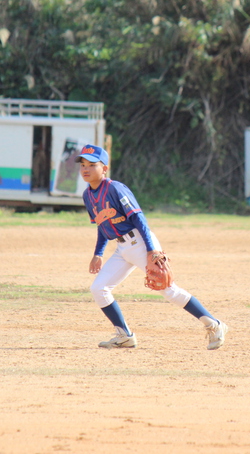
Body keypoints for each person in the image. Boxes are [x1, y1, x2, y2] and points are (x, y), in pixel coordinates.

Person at [78, 144, 229, 350]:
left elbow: (139, 219)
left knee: (168, 290)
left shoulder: (115, 188)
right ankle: (125, 335)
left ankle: (214, 324)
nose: (85, 169)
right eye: (83, 164)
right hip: (122, 248)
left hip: (140, 242)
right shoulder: (88, 195)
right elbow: (102, 225)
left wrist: (151, 251)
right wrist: (98, 253)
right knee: (98, 288)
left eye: (92, 164)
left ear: (104, 168)